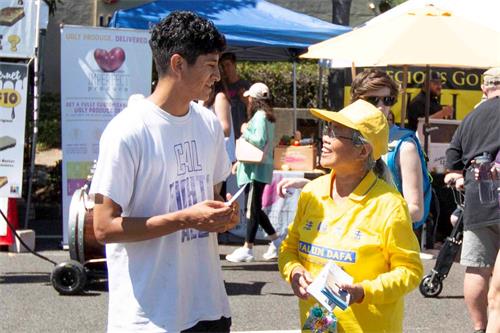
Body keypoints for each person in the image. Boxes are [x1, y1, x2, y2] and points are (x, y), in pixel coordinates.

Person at [89, 11, 239, 332]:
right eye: (210, 65)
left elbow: (211, 200)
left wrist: (223, 216)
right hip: (150, 316)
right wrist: (185, 218)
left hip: (207, 305)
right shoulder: (128, 130)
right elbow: (103, 227)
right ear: (178, 64)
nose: (217, 76)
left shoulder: (209, 123)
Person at [278, 100, 423, 333]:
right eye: (327, 129)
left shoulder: (389, 204)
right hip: (317, 326)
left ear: (363, 150)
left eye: (335, 133)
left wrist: (363, 291)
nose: (325, 138)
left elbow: (410, 271)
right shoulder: (312, 192)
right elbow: (289, 248)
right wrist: (294, 272)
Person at [280, 69, 430, 231]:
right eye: (373, 100)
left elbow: (416, 210)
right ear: (356, 101)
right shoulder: (345, 137)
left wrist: (367, 213)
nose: (381, 107)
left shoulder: (405, 146)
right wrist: (311, 186)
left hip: (386, 238)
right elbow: (346, 190)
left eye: (388, 100)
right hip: (349, 235)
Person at [444, 67, 500, 333]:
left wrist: (458, 174)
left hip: (478, 197)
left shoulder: (472, 117)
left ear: (484, 89)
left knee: (477, 267)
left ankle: (479, 327)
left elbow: (452, 157)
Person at [225, 82, 281, 262]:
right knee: (256, 208)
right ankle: (276, 241)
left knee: (252, 209)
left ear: (254, 99)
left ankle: (247, 248)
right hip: (259, 167)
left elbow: (258, 139)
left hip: (255, 169)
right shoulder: (268, 116)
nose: (247, 100)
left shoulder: (259, 116)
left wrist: (244, 130)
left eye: (249, 97)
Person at [200, 80, 237, 197]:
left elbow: (226, 129)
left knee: (214, 195)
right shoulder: (201, 98)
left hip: (218, 155)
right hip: (207, 155)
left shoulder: (220, 97)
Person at [219, 52, 250, 139]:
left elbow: (255, 109)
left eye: (228, 65)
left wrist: (246, 101)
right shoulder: (221, 86)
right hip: (227, 133)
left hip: (243, 132)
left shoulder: (245, 85)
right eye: (223, 66)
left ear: (234, 65)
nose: (225, 69)